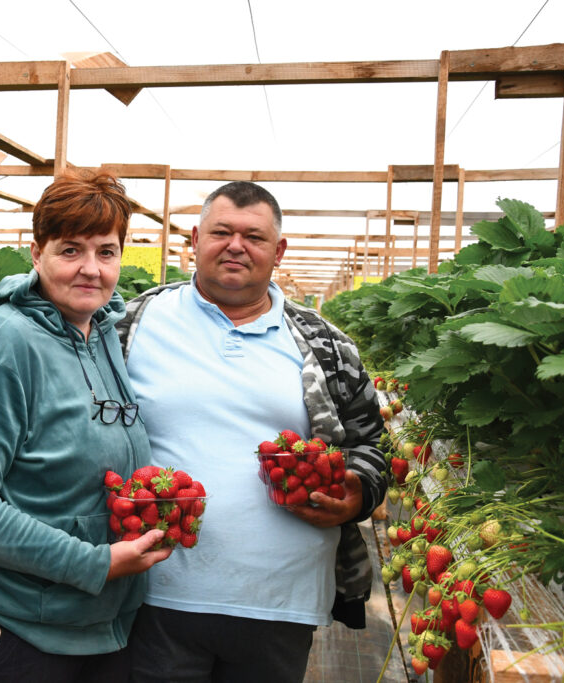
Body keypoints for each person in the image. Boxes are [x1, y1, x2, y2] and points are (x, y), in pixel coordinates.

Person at [117, 181, 387, 682]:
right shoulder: (129, 325)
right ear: (194, 240)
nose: (236, 246)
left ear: (278, 251)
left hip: (282, 601)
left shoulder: (326, 346)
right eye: (221, 232)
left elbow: (372, 443)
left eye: (254, 237)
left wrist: (357, 494)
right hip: (153, 593)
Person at [0, 170, 172, 682]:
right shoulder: (3, 343)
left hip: (93, 620)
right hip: (6, 622)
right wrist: (93, 563)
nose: (91, 269)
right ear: (37, 254)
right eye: (71, 250)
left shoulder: (101, 333)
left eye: (106, 252)